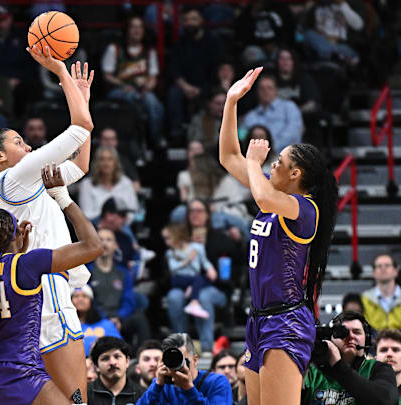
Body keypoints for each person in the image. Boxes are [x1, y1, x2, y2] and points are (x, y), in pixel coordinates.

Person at [0, 50, 94, 401]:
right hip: (46, 290)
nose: (29, 145)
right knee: (74, 399)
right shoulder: (15, 177)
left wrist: (85, 100)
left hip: (38, 289)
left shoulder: (18, 184)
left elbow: (80, 167)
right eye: (19, 142)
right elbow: (80, 128)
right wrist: (62, 74)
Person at [219, 67, 339, 405]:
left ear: (295, 174)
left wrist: (254, 163)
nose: (271, 164)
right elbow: (228, 157)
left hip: (286, 322)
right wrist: (231, 102)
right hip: (259, 319)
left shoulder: (305, 209)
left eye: (279, 162)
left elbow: (261, 197)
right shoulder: (273, 193)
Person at [0, 163, 103, 405]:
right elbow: (93, 246)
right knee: (78, 402)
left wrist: (19, 248)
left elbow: (8, 274)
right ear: (10, 235)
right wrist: (63, 198)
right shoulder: (26, 265)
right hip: (20, 374)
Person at [302, 311, 398, 405]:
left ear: (366, 339)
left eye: (357, 332)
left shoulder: (379, 369)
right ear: (330, 339)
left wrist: (337, 365)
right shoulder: (312, 373)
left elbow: (386, 400)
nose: (350, 336)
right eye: (342, 332)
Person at [102, 15, 163, 144]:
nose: (137, 30)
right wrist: (123, 85)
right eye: (133, 27)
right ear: (127, 30)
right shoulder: (115, 49)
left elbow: (153, 77)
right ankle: (136, 141)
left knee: (154, 103)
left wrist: (148, 87)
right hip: (119, 90)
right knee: (134, 99)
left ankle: (155, 139)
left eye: (140, 27)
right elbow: (107, 75)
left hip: (143, 91)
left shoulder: (149, 51)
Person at [167, 7, 223, 139]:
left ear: (201, 21)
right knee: (173, 94)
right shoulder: (179, 44)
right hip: (184, 86)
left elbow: (217, 69)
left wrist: (201, 89)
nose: (190, 23)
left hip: (208, 85)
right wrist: (185, 86)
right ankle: (176, 133)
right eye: (186, 20)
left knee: (216, 93)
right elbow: (174, 70)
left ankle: (213, 136)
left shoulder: (213, 42)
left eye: (194, 19)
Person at [88, 228, 150, 346]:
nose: (104, 243)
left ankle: (144, 355)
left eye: (108, 240)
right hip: (96, 319)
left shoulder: (124, 272)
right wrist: (106, 319)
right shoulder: (87, 272)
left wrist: (118, 318)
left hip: (120, 319)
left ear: (115, 245)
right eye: (100, 239)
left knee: (140, 319)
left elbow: (129, 300)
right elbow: (89, 302)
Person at [136, 333, 232, 405]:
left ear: (195, 360)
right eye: (172, 360)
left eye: (182, 360)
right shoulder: (163, 385)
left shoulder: (217, 382)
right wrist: (157, 386)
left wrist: (189, 389)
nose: (178, 365)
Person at [240, 75, 303, 154]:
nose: (265, 91)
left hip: (285, 156)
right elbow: (241, 136)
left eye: (269, 88)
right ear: (257, 92)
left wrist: (269, 150)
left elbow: (293, 134)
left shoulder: (289, 107)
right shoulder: (250, 116)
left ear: (276, 90)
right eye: (262, 88)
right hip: (256, 159)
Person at [77, 146, 139, 221]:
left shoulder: (126, 183)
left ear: (116, 163)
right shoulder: (87, 184)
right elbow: (86, 214)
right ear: (96, 163)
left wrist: (117, 220)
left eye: (110, 159)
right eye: (102, 159)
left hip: (121, 226)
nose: (106, 163)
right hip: (96, 226)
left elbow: (132, 211)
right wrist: (107, 217)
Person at [87, 336, 145, 404]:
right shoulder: (85, 394)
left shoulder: (142, 395)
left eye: (117, 356)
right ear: (96, 366)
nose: (112, 362)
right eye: (105, 358)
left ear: (127, 361)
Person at [304, 0, 364, 66]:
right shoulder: (317, 5)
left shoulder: (352, 4)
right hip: (321, 43)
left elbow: (359, 26)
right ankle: (332, 55)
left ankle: (333, 55)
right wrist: (308, 9)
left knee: (341, 50)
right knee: (309, 35)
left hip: (342, 45)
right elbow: (306, 29)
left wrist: (342, 5)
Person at [71, 285, 121, 356]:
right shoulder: (64, 326)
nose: (80, 299)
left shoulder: (107, 325)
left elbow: (119, 347)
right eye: (76, 296)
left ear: (91, 302)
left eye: (84, 296)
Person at [362, 254, 401, 331]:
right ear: (373, 272)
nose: (383, 268)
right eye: (379, 266)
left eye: (387, 265)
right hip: (374, 341)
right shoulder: (364, 299)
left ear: (395, 271)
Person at [375, 328, 401, 394]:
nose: (389, 354)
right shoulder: (363, 392)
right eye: (384, 350)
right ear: (375, 358)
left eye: (395, 350)